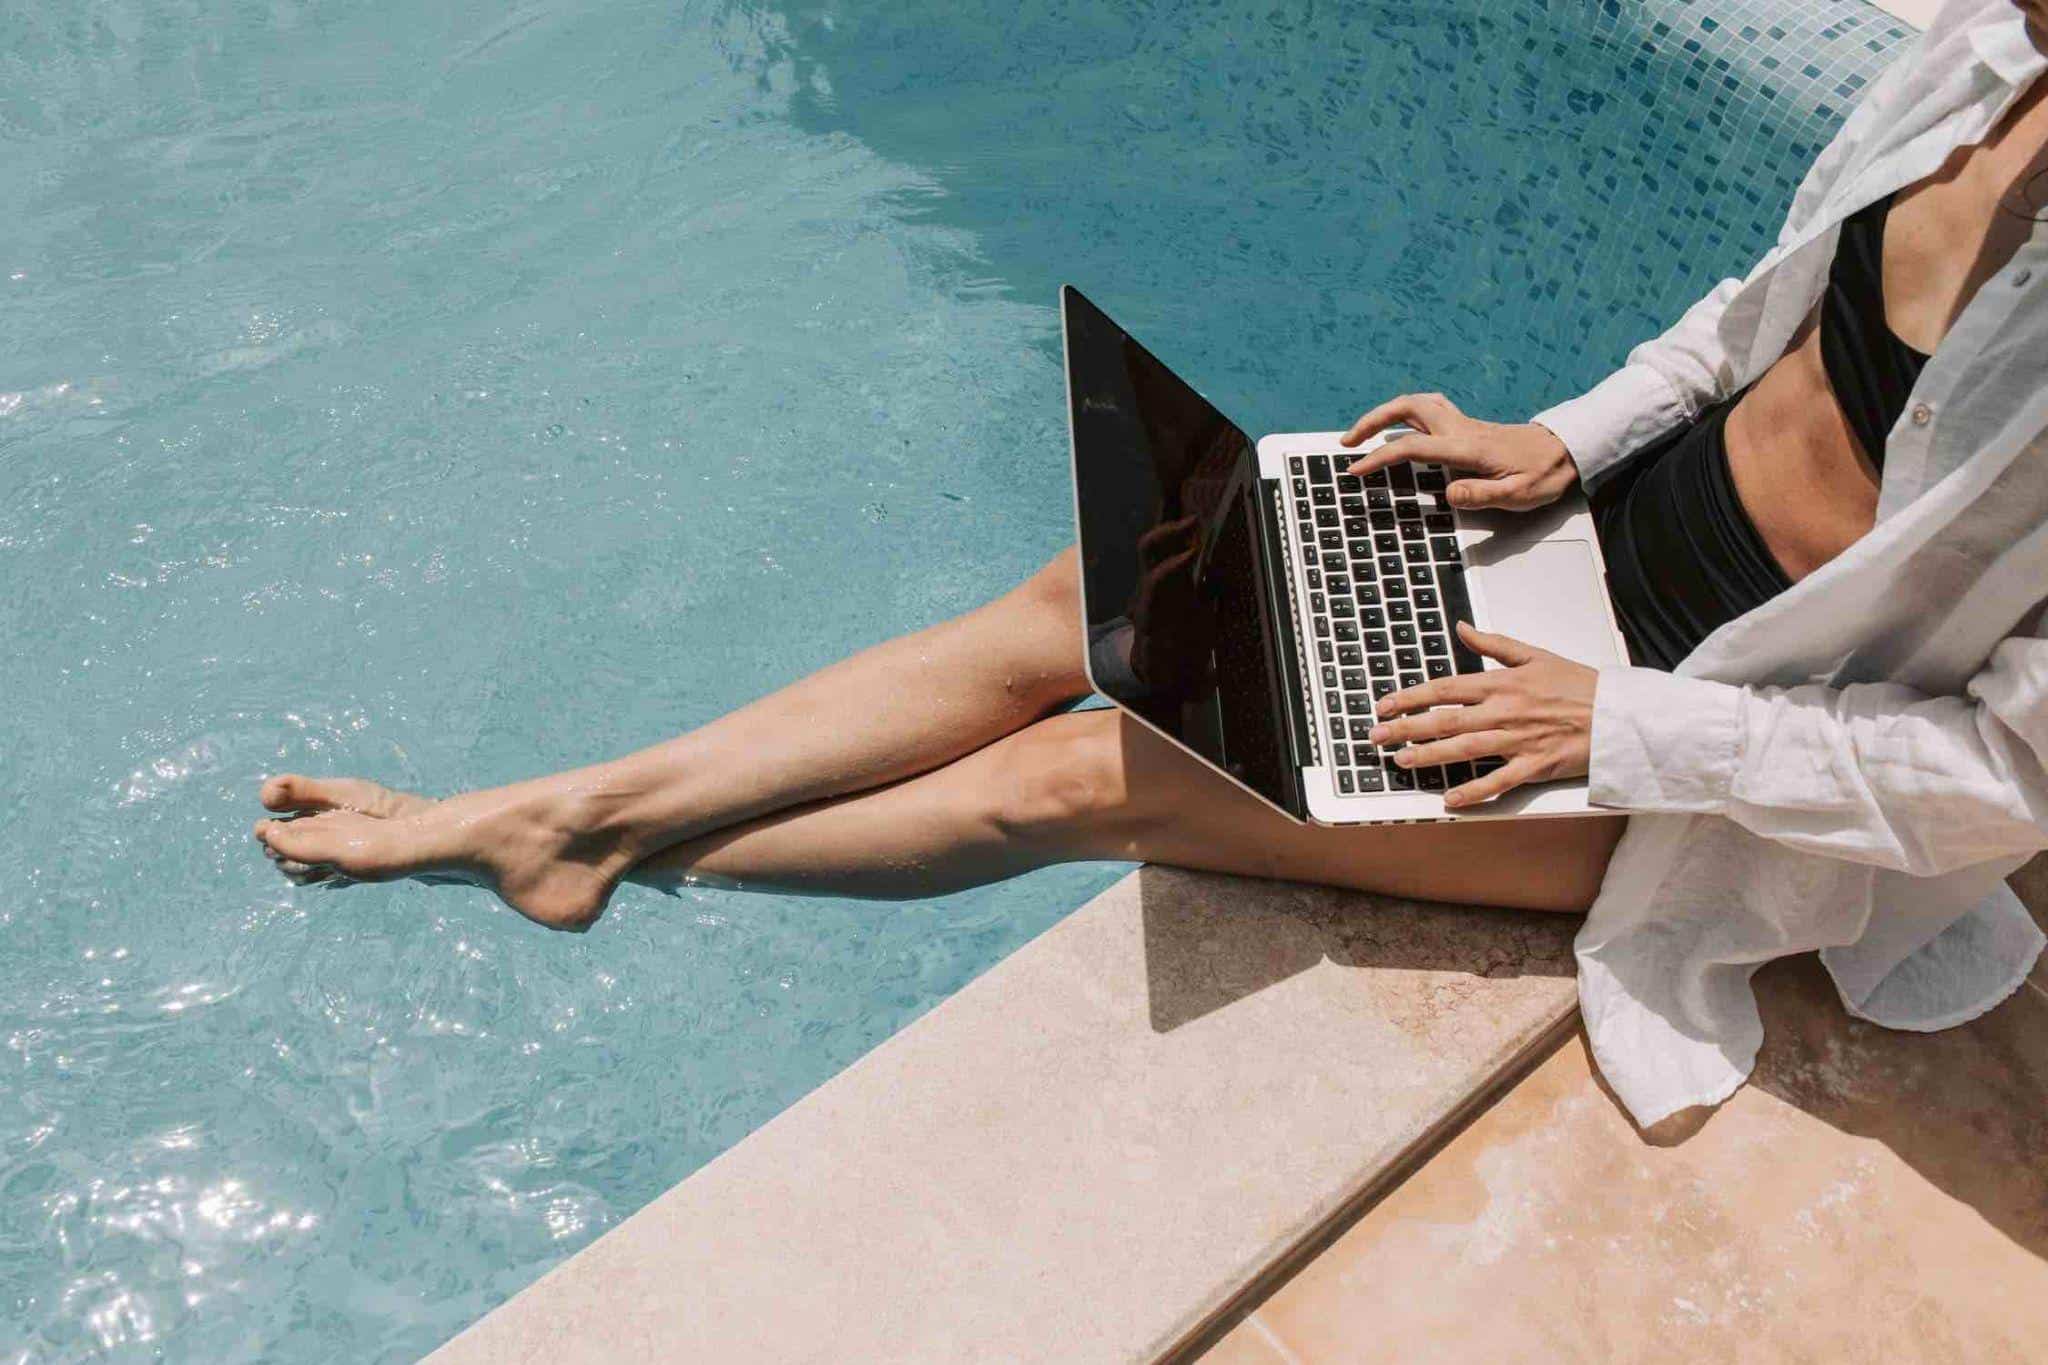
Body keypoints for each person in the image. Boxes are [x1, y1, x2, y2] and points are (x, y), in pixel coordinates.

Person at [255, 0, 2048, 1125]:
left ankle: (572, 842)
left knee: (1092, 768)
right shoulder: (1982, 58)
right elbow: (1761, 310)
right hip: (1579, 547)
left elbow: (2008, 773)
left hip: (1692, 761)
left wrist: (1614, 732)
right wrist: (1567, 439)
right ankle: (564, 819)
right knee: (1084, 590)